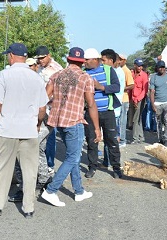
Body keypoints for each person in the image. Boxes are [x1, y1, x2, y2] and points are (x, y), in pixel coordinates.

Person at [0, 43, 48, 218]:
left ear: (11, 56)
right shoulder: (36, 78)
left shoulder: (4, 75)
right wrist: (38, 124)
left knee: (1, 168)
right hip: (28, 130)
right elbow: (42, 108)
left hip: (7, 130)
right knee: (29, 171)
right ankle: (28, 208)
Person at [41, 47, 101, 207]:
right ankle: (51, 190)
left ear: (68, 60)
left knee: (71, 155)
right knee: (73, 157)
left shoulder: (56, 75)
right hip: (74, 121)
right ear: (82, 62)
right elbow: (91, 104)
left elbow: (45, 97)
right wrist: (96, 128)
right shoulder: (85, 77)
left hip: (58, 120)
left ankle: (79, 191)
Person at [8, 55, 54, 203]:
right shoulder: (36, 79)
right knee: (38, 152)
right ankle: (43, 181)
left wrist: (38, 123)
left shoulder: (35, 81)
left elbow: (40, 106)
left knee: (21, 154)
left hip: (37, 122)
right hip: (41, 122)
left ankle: (25, 187)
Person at [83, 48, 122, 179]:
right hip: (90, 113)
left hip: (107, 111)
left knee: (111, 140)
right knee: (92, 141)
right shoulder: (84, 73)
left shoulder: (108, 70)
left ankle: (116, 167)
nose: (85, 62)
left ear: (95, 59)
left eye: (87, 60)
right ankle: (92, 166)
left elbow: (117, 87)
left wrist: (102, 87)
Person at [35, 46, 64, 171]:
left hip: (52, 107)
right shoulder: (39, 69)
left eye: (43, 58)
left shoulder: (57, 69)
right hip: (41, 107)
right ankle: (41, 164)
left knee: (50, 137)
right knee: (41, 138)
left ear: (49, 55)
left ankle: (50, 165)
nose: (41, 60)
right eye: (39, 58)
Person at [150, 60, 167, 145]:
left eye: (163, 67)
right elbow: (152, 92)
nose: (162, 69)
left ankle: (166, 138)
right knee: (158, 122)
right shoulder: (154, 77)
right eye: (160, 67)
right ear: (157, 68)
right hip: (157, 103)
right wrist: (152, 104)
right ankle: (160, 139)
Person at [117, 54, 134, 147]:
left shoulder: (126, 71)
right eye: (118, 59)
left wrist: (120, 89)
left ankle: (123, 140)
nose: (119, 61)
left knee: (122, 120)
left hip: (124, 99)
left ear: (125, 61)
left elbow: (131, 85)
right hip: (118, 98)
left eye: (121, 59)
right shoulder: (118, 70)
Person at [129, 58, 149, 144]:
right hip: (132, 98)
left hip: (140, 99)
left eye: (141, 66)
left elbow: (145, 90)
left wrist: (137, 100)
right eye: (138, 66)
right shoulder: (132, 74)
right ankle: (141, 137)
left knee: (135, 119)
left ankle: (135, 138)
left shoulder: (144, 75)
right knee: (138, 119)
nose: (140, 67)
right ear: (135, 65)